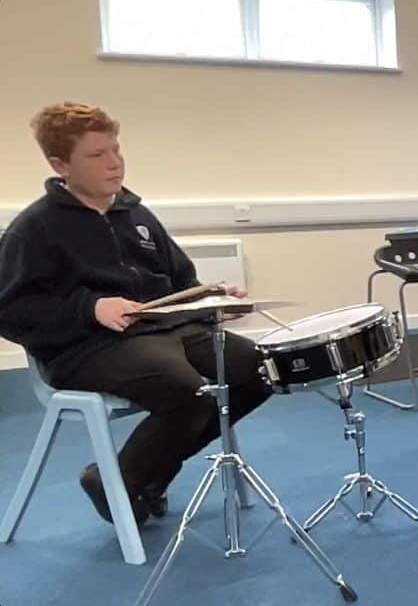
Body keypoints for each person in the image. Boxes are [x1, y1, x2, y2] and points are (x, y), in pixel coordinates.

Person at [0, 102, 271, 526]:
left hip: (165, 331)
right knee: (185, 390)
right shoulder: (34, 228)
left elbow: (181, 282)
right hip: (87, 347)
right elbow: (12, 312)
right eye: (97, 155)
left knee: (256, 369)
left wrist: (214, 302)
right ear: (60, 164)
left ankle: (132, 477)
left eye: (116, 150)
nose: (115, 163)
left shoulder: (137, 215)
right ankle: (135, 479)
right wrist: (90, 308)